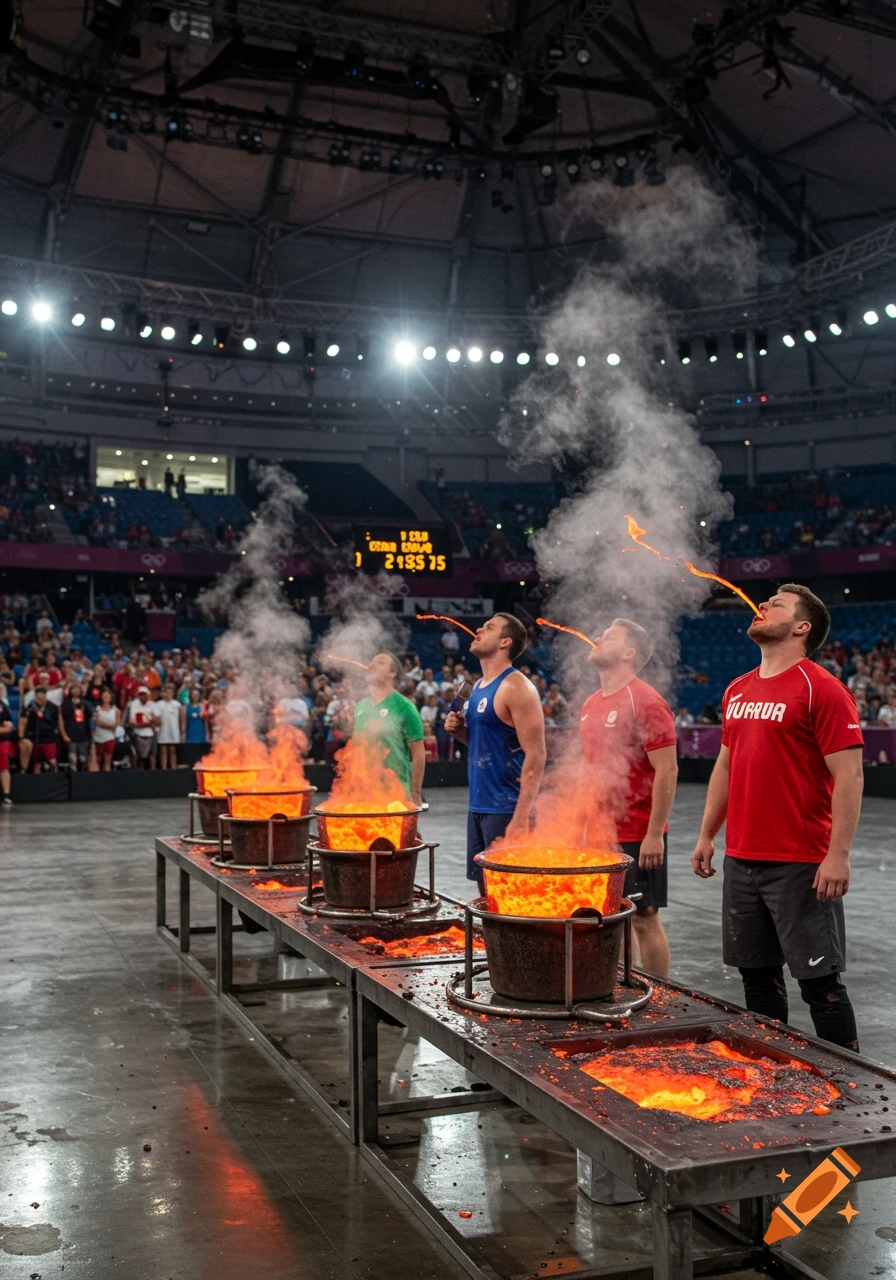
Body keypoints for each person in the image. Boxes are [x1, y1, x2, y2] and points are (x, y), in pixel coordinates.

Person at [691, 584, 864, 1052]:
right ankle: (770, 1074)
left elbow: (849, 776)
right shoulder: (737, 689)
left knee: (821, 986)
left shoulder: (822, 689)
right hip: (742, 860)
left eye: (777, 605)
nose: (762, 607)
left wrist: (838, 855)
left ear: (801, 626)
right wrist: (708, 833)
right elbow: (726, 765)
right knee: (758, 980)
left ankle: (854, 1090)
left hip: (801, 863)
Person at [578, 619, 678, 977]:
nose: (598, 636)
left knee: (644, 920)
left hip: (638, 831)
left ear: (629, 653)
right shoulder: (590, 703)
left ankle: (660, 996)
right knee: (611, 918)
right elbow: (591, 772)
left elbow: (667, 770)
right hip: (600, 834)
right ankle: (620, 986)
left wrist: (654, 834)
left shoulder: (646, 701)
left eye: (610, 636)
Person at [446, 613, 546, 890]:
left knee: (511, 892)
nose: (478, 629)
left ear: (505, 642)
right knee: (486, 891)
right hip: (479, 806)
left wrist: (521, 817)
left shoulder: (518, 687)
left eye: (489, 627)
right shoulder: (477, 686)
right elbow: (489, 745)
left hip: (507, 807)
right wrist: (461, 733)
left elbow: (537, 755)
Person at [352, 652, 425, 804]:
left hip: (394, 794)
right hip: (362, 794)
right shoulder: (360, 706)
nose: (371, 666)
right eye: (371, 661)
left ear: (392, 673)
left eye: (379, 662)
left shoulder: (405, 707)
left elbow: (418, 754)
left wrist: (416, 793)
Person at [19, 686, 60, 772]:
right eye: (38, 696)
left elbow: (57, 722)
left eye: (42, 696)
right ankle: (36, 782)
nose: (40, 698)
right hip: (36, 738)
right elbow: (23, 720)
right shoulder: (30, 707)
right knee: (37, 763)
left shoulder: (53, 707)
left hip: (49, 739)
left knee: (52, 762)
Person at [60, 682, 92, 771]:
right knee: (72, 757)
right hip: (70, 733)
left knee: (83, 758)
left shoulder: (85, 703)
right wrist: (63, 733)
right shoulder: (66, 703)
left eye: (78, 688)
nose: (76, 691)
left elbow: (93, 716)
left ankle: (82, 774)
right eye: (73, 688)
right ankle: (73, 775)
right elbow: (61, 718)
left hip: (83, 734)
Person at [126, 685, 160, 769]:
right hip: (138, 734)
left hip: (151, 733)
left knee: (152, 756)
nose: (143, 696)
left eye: (144, 694)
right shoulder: (133, 705)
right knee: (139, 757)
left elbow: (158, 721)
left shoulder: (152, 705)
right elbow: (131, 722)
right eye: (141, 694)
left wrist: (153, 720)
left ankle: (153, 773)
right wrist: (147, 723)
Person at [156, 683, 184, 770]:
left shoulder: (177, 704)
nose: (168, 694)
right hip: (163, 730)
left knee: (173, 750)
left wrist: (182, 731)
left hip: (173, 730)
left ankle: (173, 768)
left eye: (170, 692)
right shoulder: (159, 704)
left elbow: (181, 718)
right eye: (166, 692)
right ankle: (164, 768)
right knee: (163, 750)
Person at [92, 688, 120, 772]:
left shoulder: (116, 710)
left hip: (109, 738)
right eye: (104, 696)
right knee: (98, 760)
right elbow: (97, 721)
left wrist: (108, 725)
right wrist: (109, 726)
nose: (106, 698)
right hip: (98, 737)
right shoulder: (97, 709)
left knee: (107, 761)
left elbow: (117, 724)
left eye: (107, 696)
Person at [0, 698, 15, 802]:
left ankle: (6, 795)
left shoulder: (2, 706)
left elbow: (8, 727)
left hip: (1, 741)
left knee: (4, 767)